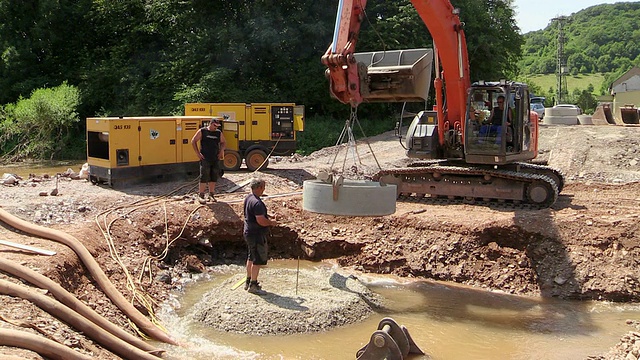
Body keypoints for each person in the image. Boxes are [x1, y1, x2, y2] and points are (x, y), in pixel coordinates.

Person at [243, 178, 277, 294]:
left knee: (251, 257)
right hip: (256, 234)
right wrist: (271, 222)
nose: (264, 189)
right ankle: (253, 285)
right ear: (259, 188)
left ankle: (248, 281)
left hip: (249, 232)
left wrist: (268, 215)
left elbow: (255, 214)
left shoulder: (249, 198)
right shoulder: (258, 203)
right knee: (257, 260)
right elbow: (261, 221)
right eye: (263, 187)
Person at [191, 118, 226, 204]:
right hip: (205, 157)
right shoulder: (202, 131)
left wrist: (221, 151)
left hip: (215, 157)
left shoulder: (218, 133)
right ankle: (201, 195)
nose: (216, 128)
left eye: (217, 126)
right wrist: (198, 153)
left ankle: (211, 194)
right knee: (204, 175)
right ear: (211, 124)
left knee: (214, 175)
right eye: (214, 126)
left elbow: (223, 142)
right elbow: (193, 141)